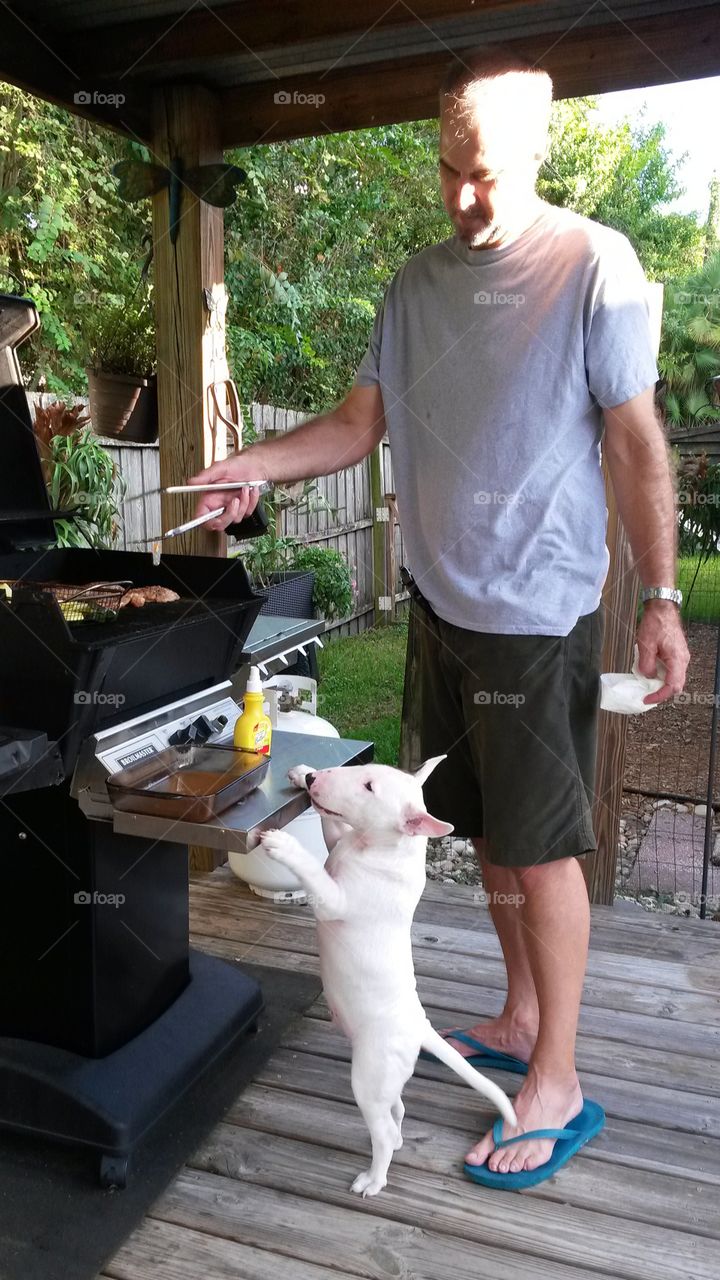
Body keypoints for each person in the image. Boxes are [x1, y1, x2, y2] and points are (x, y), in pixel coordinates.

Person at [190, 49, 690, 1187]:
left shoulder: (592, 265)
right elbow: (359, 422)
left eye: (490, 176)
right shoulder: (416, 285)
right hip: (442, 602)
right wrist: (257, 463)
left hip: (539, 610)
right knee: (468, 824)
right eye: (449, 169)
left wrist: (660, 598)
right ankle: (517, 1015)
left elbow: (635, 444)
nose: (466, 195)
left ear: (537, 158)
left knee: (541, 844)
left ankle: (554, 1076)